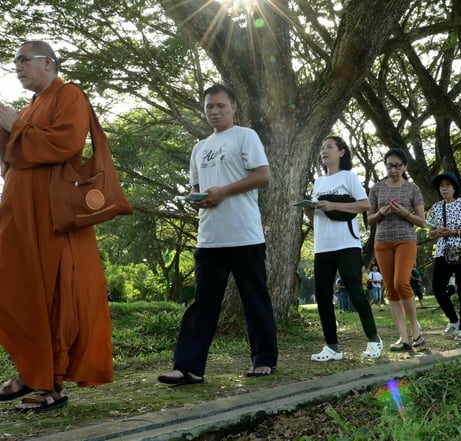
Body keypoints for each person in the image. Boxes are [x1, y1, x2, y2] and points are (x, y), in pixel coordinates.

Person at [0, 40, 113, 412]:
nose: (18, 67)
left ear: (48, 62)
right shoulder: (31, 105)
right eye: (15, 61)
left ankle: (49, 384)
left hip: (51, 216)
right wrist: (6, 132)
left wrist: (16, 126)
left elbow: (65, 145)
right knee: (2, 284)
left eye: (24, 60)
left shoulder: (69, 95)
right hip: (20, 213)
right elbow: (13, 158)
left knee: (53, 296)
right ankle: (31, 366)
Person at [158, 84, 278, 385]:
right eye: (209, 107)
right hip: (209, 237)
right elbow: (197, 189)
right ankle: (188, 367)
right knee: (203, 302)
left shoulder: (245, 136)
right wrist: (200, 197)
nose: (214, 111)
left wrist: (223, 191)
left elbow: (263, 175)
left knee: (255, 298)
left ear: (233, 107)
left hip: (244, 235)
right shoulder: (199, 148)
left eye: (220, 106)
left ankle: (264, 359)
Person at [307, 136, 382, 362]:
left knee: (356, 292)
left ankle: (374, 340)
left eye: (329, 147)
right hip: (322, 246)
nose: (324, 151)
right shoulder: (318, 183)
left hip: (347, 245)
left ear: (341, 152)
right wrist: (310, 211)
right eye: (321, 148)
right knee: (322, 296)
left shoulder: (348, 176)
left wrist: (332, 205)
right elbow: (317, 215)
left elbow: (364, 205)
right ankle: (332, 347)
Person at [367, 149, 425, 351]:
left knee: (401, 283)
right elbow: (369, 219)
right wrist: (380, 213)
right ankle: (404, 338)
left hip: (405, 240)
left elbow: (422, 221)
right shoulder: (376, 189)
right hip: (382, 242)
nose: (393, 169)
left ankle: (416, 330)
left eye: (398, 165)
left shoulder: (412, 189)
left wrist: (405, 213)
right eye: (390, 165)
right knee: (390, 288)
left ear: (405, 166)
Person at [425, 172, 461, 343]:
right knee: (438, 287)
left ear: (454, 187)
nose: (444, 188)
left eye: (448, 185)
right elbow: (430, 232)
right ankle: (454, 321)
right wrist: (437, 232)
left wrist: (455, 231)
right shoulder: (436, 207)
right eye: (441, 186)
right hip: (443, 251)